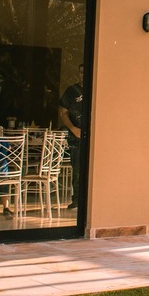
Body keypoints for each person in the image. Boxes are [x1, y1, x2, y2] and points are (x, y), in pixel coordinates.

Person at [59, 64, 87, 209]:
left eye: (86, 72)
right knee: (77, 168)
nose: (83, 75)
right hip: (76, 137)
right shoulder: (71, 91)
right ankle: (77, 199)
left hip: (95, 137)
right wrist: (73, 128)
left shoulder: (97, 89)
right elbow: (62, 112)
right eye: (81, 72)